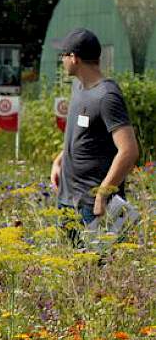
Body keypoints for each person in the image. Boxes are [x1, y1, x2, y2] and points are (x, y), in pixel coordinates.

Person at [51, 28, 138, 229]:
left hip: (94, 208)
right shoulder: (78, 87)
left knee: (97, 261)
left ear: (74, 58)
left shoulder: (107, 96)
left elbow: (129, 151)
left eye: (63, 55)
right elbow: (84, 137)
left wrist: (103, 193)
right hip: (67, 200)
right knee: (69, 259)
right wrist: (59, 161)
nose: (61, 60)